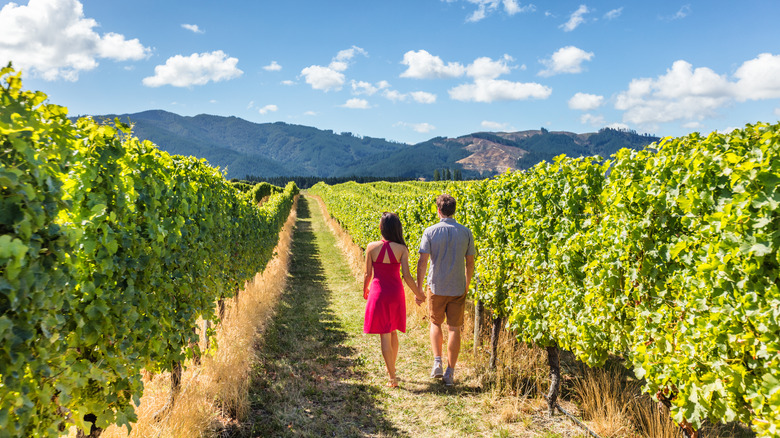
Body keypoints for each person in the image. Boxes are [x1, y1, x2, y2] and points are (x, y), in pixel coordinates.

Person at [417, 194, 475, 386]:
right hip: (458, 286)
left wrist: (419, 288)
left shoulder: (430, 231)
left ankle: (437, 362)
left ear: (438, 210)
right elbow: (470, 263)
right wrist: (466, 284)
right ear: (454, 210)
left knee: (435, 323)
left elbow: (423, 261)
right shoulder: (466, 232)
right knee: (454, 329)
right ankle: (450, 372)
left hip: (436, 285)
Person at [364, 212, 424, 388]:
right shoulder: (402, 249)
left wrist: (364, 289)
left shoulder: (371, 247)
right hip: (396, 293)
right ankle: (392, 368)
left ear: (381, 227)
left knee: (384, 332)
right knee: (393, 331)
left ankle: (392, 376)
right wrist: (419, 294)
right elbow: (407, 276)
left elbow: (368, 273)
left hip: (379, 292)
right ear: (398, 229)